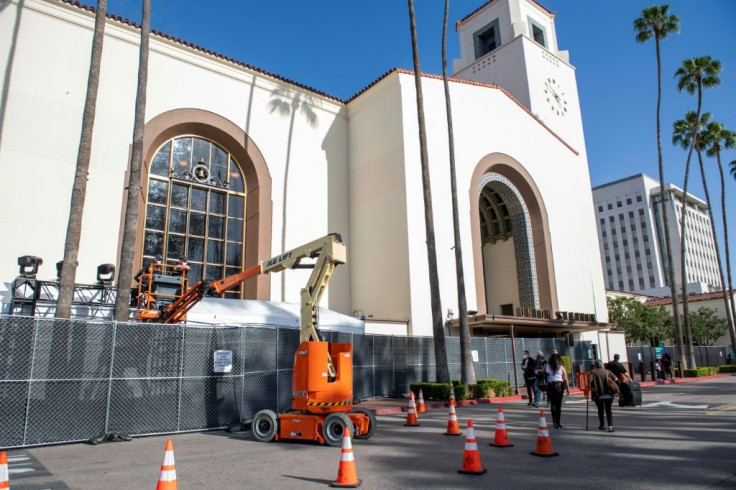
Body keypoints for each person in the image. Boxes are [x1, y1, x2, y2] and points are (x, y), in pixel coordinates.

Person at [589, 359, 619, 432]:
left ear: (595, 365)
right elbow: (616, 378)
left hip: (598, 395)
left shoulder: (593, 372)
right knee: (608, 410)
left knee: (600, 410)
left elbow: (589, 381)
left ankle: (602, 425)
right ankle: (610, 426)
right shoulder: (607, 372)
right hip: (608, 394)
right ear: (602, 365)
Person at [545, 353, 569, 429]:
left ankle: (554, 422)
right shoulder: (561, 367)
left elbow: (545, 374)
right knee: (558, 405)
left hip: (550, 385)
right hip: (559, 385)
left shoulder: (548, 366)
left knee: (553, 404)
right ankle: (558, 423)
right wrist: (568, 389)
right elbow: (565, 379)